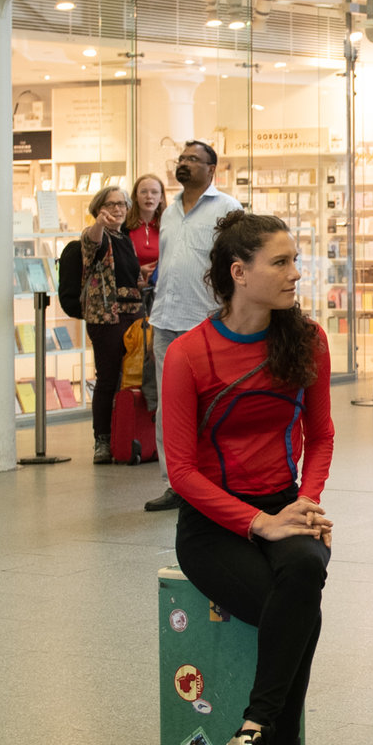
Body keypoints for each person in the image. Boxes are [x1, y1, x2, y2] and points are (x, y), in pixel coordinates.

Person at [161, 210, 339, 745]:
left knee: (304, 572)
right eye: (282, 262)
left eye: (296, 260)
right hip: (213, 527)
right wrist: (259, 524)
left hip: (287, 506)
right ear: (239, 273)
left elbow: (320, 437)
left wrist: (305, 504)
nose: (297, 273)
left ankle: (251, 739)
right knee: (297, 612)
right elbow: (181, 471)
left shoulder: (306, 340)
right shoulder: (188, 356)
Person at [145, 143, 242, 511]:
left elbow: (236, 262)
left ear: (211, 168)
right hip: (166, 321)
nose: (183, 164)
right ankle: (175, 483)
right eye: (181, 159)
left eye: (192, 160)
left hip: (206, 322)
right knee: (167, 408)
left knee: (211, 405)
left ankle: (213, 481)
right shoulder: (168, 212)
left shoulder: (228, 209)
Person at [79, 182, 146, 462]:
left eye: (121, 204)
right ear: (99, 209)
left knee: (131, 378)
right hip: (107, 317)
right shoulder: (97, 234)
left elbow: (125, 274)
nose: (117, 210)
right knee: (108, 378)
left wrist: (140, 275)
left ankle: (126, 435)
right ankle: (102, 441)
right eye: (110, 204)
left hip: (134, 313)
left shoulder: (124, 239)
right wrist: (98, 223)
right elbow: (91, 243)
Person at [129, 171, 166, 285]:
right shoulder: (124, 227)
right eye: (143, 192)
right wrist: (137, 270)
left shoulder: (168, 226)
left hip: (160, 291)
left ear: (161, 198)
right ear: (135, 196)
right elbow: (113, 263)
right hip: (131, 292)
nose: (149, 196)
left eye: (154, 192)